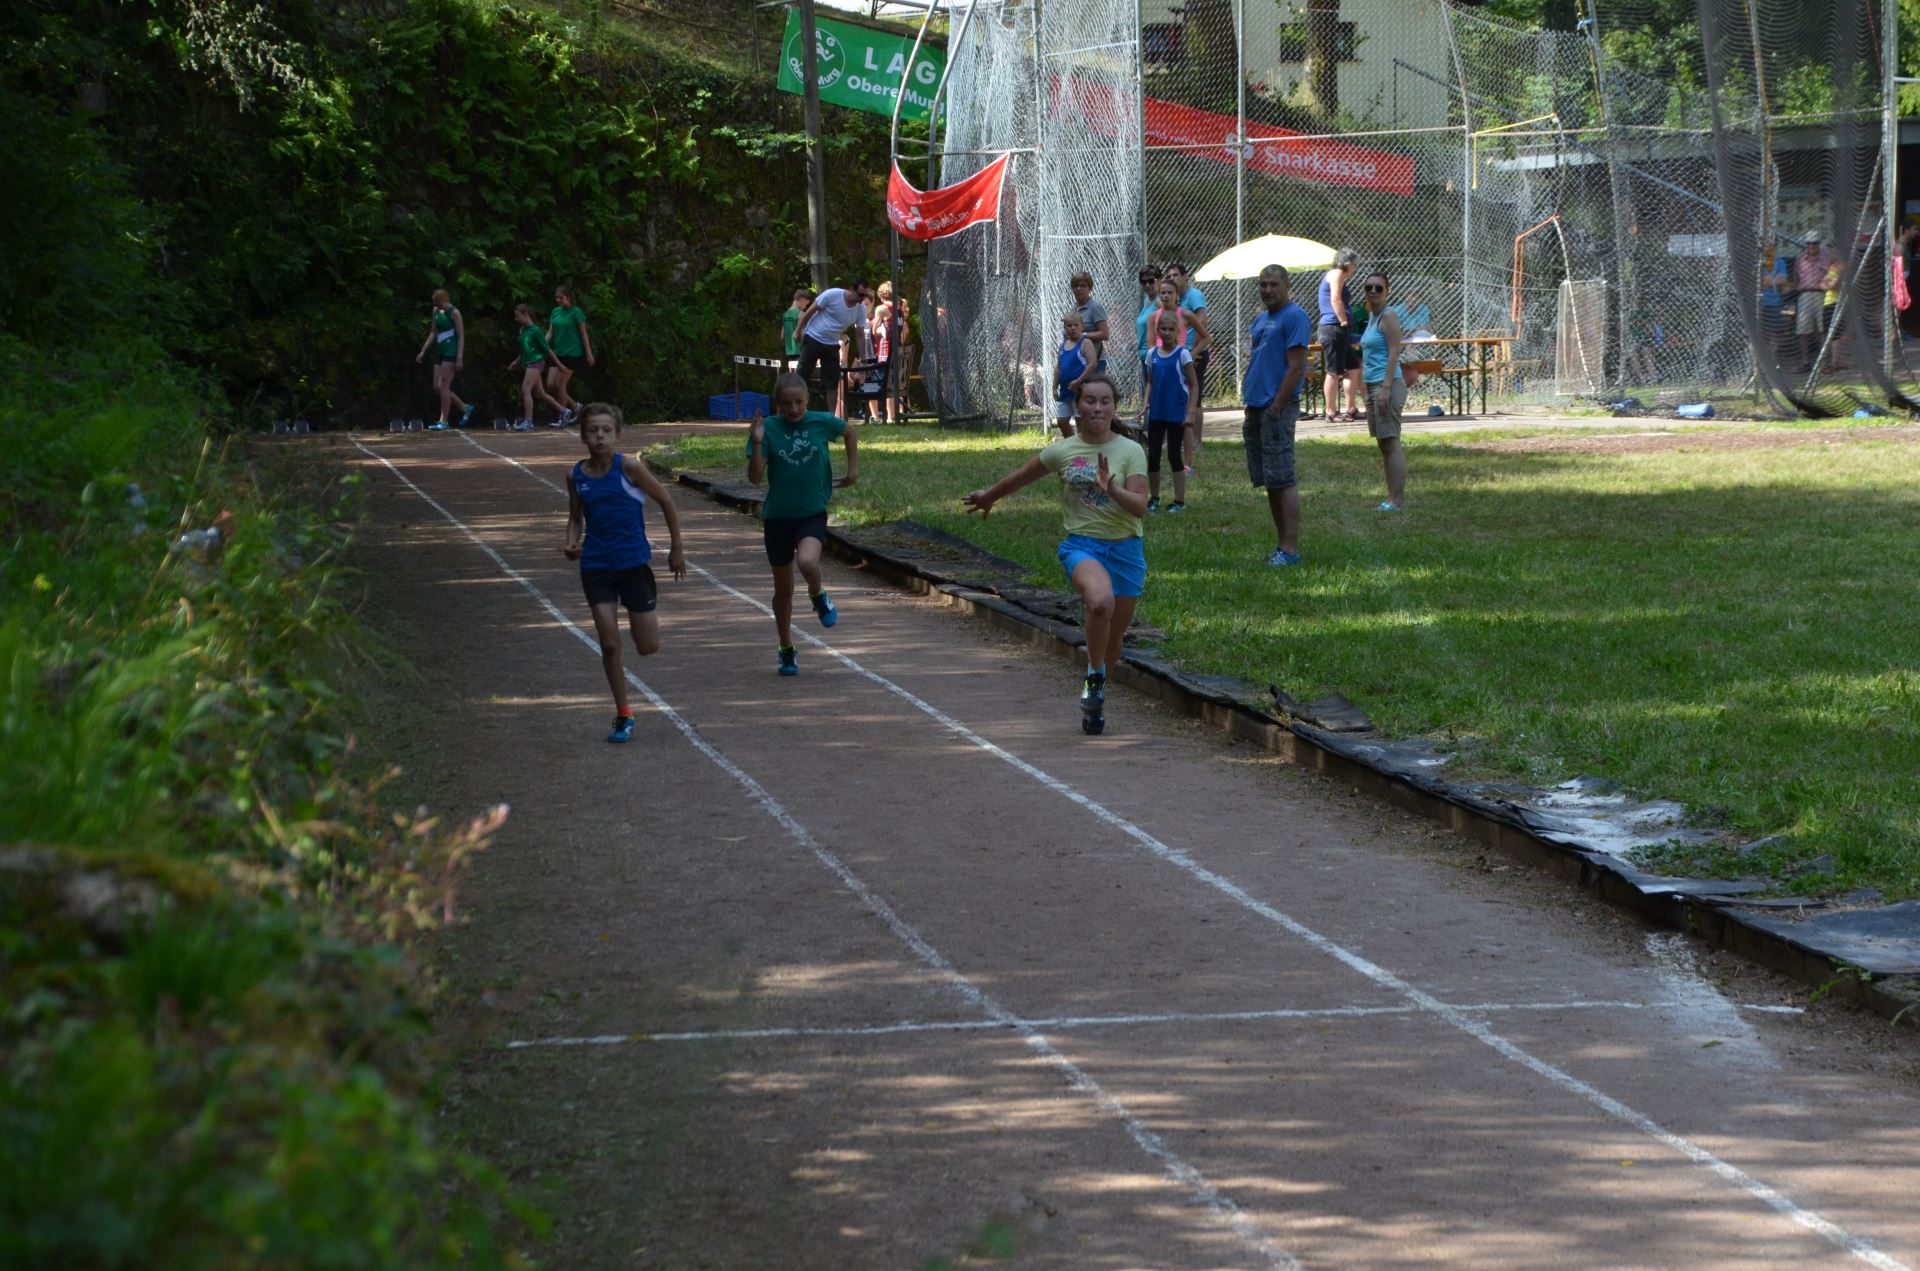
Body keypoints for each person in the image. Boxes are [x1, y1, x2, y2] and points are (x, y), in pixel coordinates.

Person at [963, 373, 1148, 735]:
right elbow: (1021, 476)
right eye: (1090, 400)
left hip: (1126, 549)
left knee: (1114, 640)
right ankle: (1094, 674)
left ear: (1114, 406)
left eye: (1104, 401)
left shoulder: (1130, 450)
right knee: (1099, 603)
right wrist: (989, 497)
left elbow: (1139, 507)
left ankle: (1096, 699)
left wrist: (1111, 488)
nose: (1097, 408)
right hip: (1082, 546)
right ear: (1077, 406)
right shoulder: (1063, 449)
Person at [563, 402, 686, 744]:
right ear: (583, 435)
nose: (599, 436)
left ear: (617, 435)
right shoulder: (576, 476)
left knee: (647, 646)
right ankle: (623, 713)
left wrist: (677, 549)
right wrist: (572, 542)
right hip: (597, 566)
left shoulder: (629, 468)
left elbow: (666, 501)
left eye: (606, 430)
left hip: (633, 565)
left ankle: (641, 624)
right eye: (592, 430)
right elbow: (575, 517)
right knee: (610, 644)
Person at [747, 373, 859, 676]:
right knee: (782, 591)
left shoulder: (821, 422)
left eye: (798, 403)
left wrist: (852, 471)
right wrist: (757, 444)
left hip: (811, 511)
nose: (793, 410)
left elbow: (849, 432)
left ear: (807, 400)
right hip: (777, 518)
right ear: (777, 405)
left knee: (808, 562)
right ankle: (786, 647)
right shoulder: (767, 428)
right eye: (786, 404)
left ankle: (818, 593)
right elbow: (755, 478)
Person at [1242, 264, 1312, 567]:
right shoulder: (1261, 319)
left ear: (1286, 285)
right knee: (1270, 479)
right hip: (1255, 405)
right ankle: (1280, 545)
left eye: (1273, 284)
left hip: (1276, 407)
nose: (1267, 290)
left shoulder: (1295, 316)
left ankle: (1290, 548)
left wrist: (1277, 405)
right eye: (1262, 285)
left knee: (1283, 477)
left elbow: (1295, 366)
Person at [1138, 310, 1198, 513]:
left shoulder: (1183, 354)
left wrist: (1190, 412)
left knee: (1174, 456)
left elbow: (1194, 385)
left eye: (1171, 329)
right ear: (1157, 331)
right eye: (1163, 328)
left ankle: (1179, 501)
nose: (1166, 332)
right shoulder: (1152, 354)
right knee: (1153, 456)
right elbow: (1151, 383)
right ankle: (1154, 498)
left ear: (1178, 331)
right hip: (1156, 413)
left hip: (1176, 414)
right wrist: (1145, 403)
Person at [1358, 272, 1407, 511]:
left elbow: (1394, 352)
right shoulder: (1371, 316)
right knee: (1383, 443)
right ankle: (1391, 497)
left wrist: (1386, 387)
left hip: (1387, 385)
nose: (1373, 291)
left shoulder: (1388, 316)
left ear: (1387, 291)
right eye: (1369, 287)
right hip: (1372, 385)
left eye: (1379, 288)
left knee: (1390, 441)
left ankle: (1396, 500)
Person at [1163, 262, 1213, 468]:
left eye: (1175, 275)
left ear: (1185, 277)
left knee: (1195, 397)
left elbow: (1202, 323)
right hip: (1181, 354)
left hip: (1195, 355)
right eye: (1169, 275)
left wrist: (1194, 352)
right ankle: (1180, 440)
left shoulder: (1194, 296)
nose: (1172, 278)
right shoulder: (1178, 301)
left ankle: (1196, 441)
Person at [796, 280, 872, 414]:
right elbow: (810, 311)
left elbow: (860, 336)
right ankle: (796, 411)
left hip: (831, 344)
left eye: (865, 296)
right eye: (860, 295)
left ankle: (831, 416)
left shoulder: (861, 309)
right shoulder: (833, 295)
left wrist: (864, 360)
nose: (862, 299)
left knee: (832, 382)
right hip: (813, 337)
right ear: (851, 290)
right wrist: (798, 330)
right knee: (801, 376)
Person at [414, 289, 473, 430]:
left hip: (451, 352)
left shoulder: (455, 313)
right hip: (440, 351)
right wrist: (423, 351)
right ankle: (465, 407)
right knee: (437, 387)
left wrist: (459, 358)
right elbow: (433, 332)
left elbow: (460, 336)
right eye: (436, 303)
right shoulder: (435, 311)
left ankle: (443, 421)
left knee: (444, 386)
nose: (439, 306)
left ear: (445, 299)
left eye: (440, 303)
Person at [1317, 247, 1363, 422]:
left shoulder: (1340, 275)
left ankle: (1351, 408)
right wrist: (1343, 320)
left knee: (1353, 368)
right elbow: (1335, 298)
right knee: (1333, 372)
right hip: (1333, 328)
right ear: (1348, 263)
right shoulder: (1336, 273)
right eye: (1354, 265)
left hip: (1340, 329)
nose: (1355, 269)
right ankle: (1330, 412)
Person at [506, 303, 567, 431]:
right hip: (528, 363)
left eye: (518, 316)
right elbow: (524, 349)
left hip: (536, 362)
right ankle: (564, 411)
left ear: (526, 314)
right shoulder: (523, 330)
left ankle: (529, 422)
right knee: (540, 394)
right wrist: (516, 362)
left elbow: (547, 349)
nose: (516, 319)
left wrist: (559, 364)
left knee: (525, 390)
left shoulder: (536, 331)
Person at [546, 284, 595, 425]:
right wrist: (541, 345)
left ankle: (562, 417)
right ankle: (574, 406)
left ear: (568, 297)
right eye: (556, 297)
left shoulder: (576, 312)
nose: (558, 300)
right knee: (551, 385)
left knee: (560, 385)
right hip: (558, 352)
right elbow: (550, 332)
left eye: (561, 298)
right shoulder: (555, 312)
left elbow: (583, 334)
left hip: (572, 352)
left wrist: (589, 354)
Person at [870, 281, 907, 424]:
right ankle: (898, 415)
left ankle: (889, 416)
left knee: (885, 382)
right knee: (895, 381)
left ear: (881, 295)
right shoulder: (899, 309)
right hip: (898, 349)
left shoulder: (881, 308)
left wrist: (878, 330)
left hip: (885, 351)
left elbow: (874, 330)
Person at [1793, 233, 1831, 373]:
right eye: (1809, 243)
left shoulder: (1826, 257)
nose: (1812, 246)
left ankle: (1825, 361)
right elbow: (1795, 276)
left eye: (1814, 243)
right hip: (1804, 294)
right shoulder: (1800, 258)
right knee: (1803, 330)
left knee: (1822, 329)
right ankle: (1806, 362)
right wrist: (1799, 289)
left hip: (1821, 294)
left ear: (1819, 243)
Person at [1054, 311, 1094, 438]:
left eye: (1076, 325)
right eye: (1069, 325)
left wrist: (1078, 381)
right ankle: (1071, 444)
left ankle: (1082, 449)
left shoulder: (1085, 343)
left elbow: (1092, 364)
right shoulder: (1062, 346)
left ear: (1082, 326)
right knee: (1062, 421)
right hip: (1065, 390)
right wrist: (1054, 387)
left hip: (1080, 391)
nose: (1072, 328)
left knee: (1080, 421)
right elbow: (1058, 368)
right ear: (1065, 327)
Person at [1070, 271, 1111, 369]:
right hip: (1078, 361)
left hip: (1095, 362)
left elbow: (1105, 334)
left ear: (1090, 288)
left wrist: (1082, 335)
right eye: (1075, 286)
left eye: (1083, 286)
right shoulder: (1073, 309)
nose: (1079, 289)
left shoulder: (1095, 307)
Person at [1135, 266, 1162, 391]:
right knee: (1149, 398)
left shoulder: (1160, 300)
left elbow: (1168, 319)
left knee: (1156, 397)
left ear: (1158, 280)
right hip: (1145, 356)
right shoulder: (1147, 301)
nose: (1147, 285)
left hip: (1156, 356)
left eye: (1151, 281)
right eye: (1143, 282)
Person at [782, 288, 813, 372]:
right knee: (800, 374)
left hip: (789, 350)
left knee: (792, 373)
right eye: (806, 304)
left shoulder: (786, 314)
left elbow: (782, 335)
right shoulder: (800, 314)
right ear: (802, 300)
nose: (805, 307)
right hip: (799, 350)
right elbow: (803, 334)